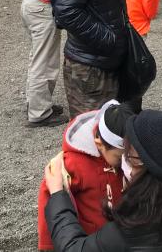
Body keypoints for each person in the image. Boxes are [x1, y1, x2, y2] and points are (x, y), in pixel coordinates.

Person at [44, 109, 162, 252]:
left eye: (128, 155)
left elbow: (74, 248)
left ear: (142, 167)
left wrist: (58, 195)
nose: (124, 160)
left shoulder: (136, 224)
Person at [38, 100, 132, 251]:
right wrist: (47, 244)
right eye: (120, 157)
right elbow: (49, 197)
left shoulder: (120, 154)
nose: (126, 162)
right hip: (87, 239)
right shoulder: (74, 163)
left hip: (117, 236)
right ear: (99, 143)